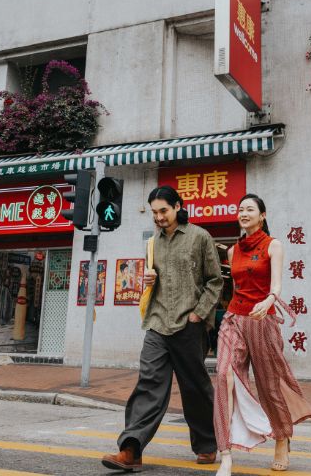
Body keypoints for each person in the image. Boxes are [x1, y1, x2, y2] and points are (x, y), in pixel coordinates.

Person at [102, 186, 223, 472]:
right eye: (154, 212)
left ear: (178, 206)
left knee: (194, 388)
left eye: (163, 211)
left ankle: (207, 444)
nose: (158, 217)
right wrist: (148, 281)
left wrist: (199, 314)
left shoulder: (199, 237)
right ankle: (131, 448)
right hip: (157, 323)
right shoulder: (153, 243)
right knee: (149, 384)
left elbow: (215, 282)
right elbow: (154, 279)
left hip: (188, 324)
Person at [214, 194, 311, 475]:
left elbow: (276, 286)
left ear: (262, 215)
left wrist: (269, 300)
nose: (243, 213)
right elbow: (235, 288)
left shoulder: (274, 245)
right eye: (240, 209)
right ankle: (225, 451)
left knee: (269, 385)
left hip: (262, 320)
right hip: (235, 318)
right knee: (224, 375)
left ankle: (282, 437)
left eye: (250, 209)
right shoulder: (232, 251)